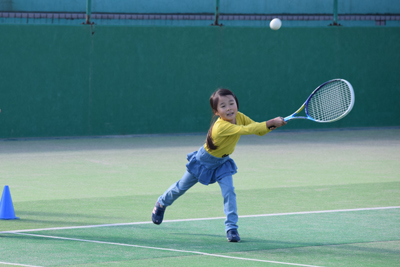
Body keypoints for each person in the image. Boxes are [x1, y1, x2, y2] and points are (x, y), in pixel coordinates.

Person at [152, 88, 287, 242]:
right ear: (216, 112)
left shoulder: (240, 117)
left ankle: (232, 228)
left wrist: (273, 125)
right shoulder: (221, 126)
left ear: (237, 104)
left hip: (223, 163)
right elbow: (247, 130)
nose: (229, 108)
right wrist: (271, 122)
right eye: (223, 106)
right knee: (180, 187)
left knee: (229, 191)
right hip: (204, 161)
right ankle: (161, 203)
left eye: (231, 103)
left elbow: (258, 129)